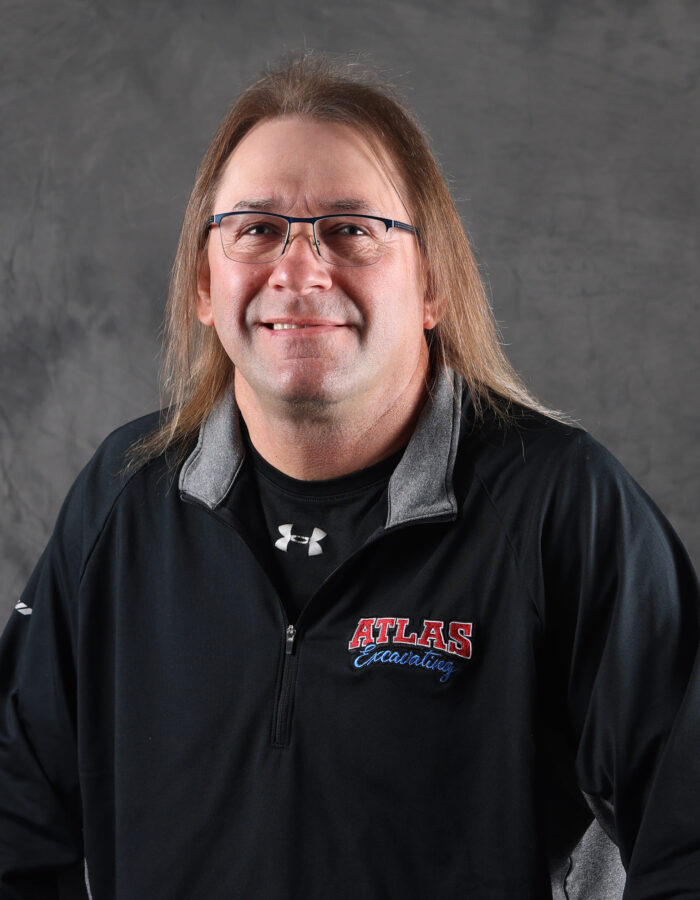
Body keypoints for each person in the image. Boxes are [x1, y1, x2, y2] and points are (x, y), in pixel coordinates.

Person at [0, 53, 698, 900]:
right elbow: (15, 819)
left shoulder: (558, 504)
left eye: (351, 229)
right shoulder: (123, 497)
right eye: (256, 229)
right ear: (203, 285)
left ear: (433, 283)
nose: (299, 272)